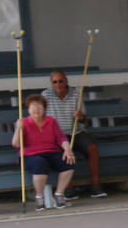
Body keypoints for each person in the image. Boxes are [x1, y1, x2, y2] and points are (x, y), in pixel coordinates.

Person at [42, 69, 103, 197]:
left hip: (77, 131)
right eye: (54, 82)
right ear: (51, 83)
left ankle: (96, 185)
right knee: (61, 152)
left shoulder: (76, 94)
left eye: (60, 81)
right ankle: (68, 188)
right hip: (57, 135)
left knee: (92, 148)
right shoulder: (45, 96)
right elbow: (40, 118)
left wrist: (80, 117)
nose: (58, 84)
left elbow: (84, 120)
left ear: (66, 81)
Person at [12, 94, 75, 209]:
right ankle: (39, 197)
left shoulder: (51, 121)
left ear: (45, 109)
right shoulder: (24, 123)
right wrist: (18, 128)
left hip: (51, 152)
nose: (36, 109)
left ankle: (59, 194)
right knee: (39, 163)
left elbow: (61, 137)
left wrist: (67, 149)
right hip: (30, 155)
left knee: (68, 161)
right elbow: (15, 144)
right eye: (33, 107)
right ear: (28, 109)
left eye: (39, 106)